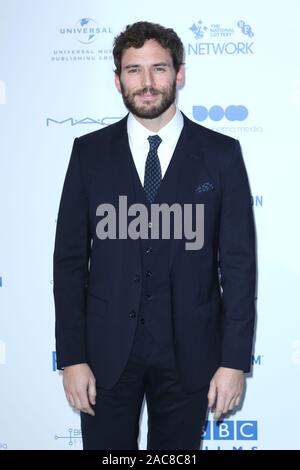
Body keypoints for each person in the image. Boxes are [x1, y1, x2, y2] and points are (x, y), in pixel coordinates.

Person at [53, 21, 256, 450]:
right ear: (117, 79)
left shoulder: (221, 155)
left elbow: (238, 267)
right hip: (105, 355)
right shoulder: (88, 154)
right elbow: (69, 263)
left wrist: (233, 361)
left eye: (159, 69)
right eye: (133, 70)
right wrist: (71, 357)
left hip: (190, 355)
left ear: (179, 73)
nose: (147, 83)